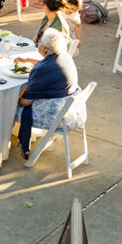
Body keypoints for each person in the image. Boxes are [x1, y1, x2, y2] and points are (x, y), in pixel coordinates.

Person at [16, 27, 79, 159]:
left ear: (45, 48)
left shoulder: (41, 70)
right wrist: (28, 60)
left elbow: (24, 101)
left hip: (53, 114)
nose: (38, 44)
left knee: (10, 105)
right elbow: (48, 64)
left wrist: (22, 88)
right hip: (72, 108)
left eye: (39, 42)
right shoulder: (64, 56)